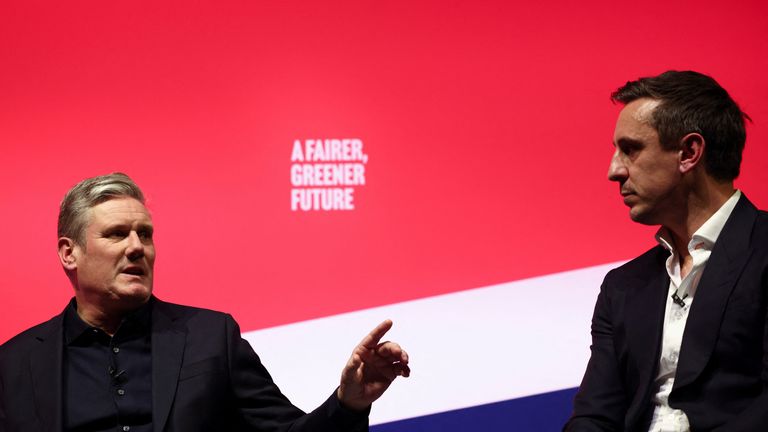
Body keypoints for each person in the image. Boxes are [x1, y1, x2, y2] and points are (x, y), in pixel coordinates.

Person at [0, 173, 410, 432]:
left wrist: (349, 403)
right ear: (69, 253)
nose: (137, 248)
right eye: (116, 234)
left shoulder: (211, 339)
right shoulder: (14, 366)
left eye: (145, 234)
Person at [565, 70, 768, 431]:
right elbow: (595, 416)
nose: (614, 171)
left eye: (630, 149)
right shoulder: (622, 287)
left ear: (689, 153)